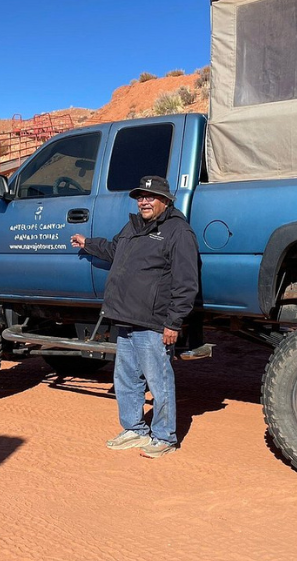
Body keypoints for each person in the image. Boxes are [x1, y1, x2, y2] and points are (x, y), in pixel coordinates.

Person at [70, 175, 199, 458]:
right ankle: (135, 431)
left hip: (153, 322)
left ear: (165, 200)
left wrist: (173, 322)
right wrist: (88, 243)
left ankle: (164, 437)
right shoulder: (132, 227)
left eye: (150, 197)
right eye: (140, 197)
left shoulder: (178, 232)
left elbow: (186, 282)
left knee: (159, 382)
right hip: (124, 316)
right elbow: (115, 250)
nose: (143, 201)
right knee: (126, 378)